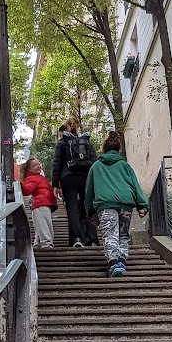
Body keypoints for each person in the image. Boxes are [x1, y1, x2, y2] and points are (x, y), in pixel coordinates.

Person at [85, 130, 148, 277]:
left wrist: (90, 212)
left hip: (106, 204)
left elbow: (89, 192)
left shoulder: (96, 166)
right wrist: (142, 205)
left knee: (110, 233)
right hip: (125, 203)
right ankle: (121, 259)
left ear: (103, 149)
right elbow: (135, 185)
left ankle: (114, 263)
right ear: (118, 149)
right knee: (123, 234)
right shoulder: (125, 165)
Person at [51, 116, 98, 248]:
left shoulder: (62, 143)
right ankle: (92, 238)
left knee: (72, 208)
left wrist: (55, 184)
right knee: (87, 207)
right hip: (86, 177)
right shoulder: (86, 142)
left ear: (66, 128)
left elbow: (57, 164)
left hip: (68, 177)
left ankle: (76, 238)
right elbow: (95, 162)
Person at [19, 157, 57, 248]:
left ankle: (38, 242)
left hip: (43, 203)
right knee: (44, 223)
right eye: (35, 165)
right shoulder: (32, 178)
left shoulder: (38, 177)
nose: (38, 166)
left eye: (39, 164)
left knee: (40, 223)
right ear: (29, 169)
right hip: (41, 203)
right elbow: (28, 190)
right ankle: (46, 243)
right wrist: (20, 184)